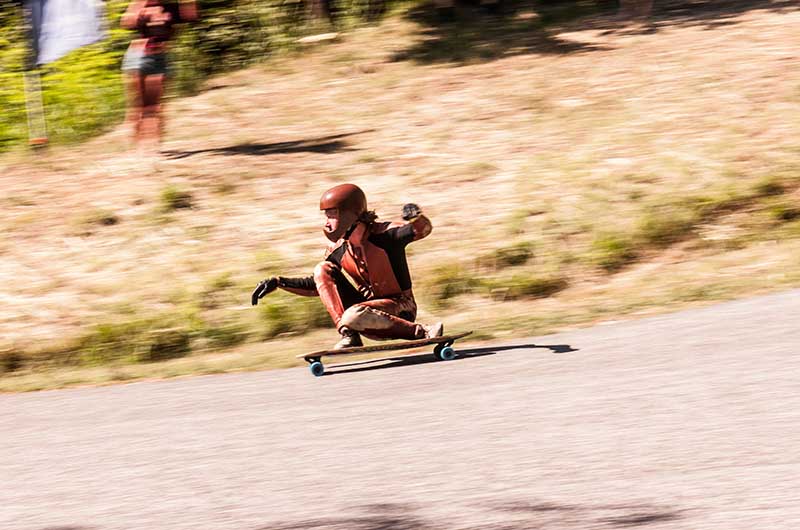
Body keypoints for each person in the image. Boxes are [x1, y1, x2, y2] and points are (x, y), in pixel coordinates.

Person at [251, 184, 444, 349]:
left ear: (349, 214)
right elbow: (319, 285)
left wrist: (416, 217)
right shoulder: (338, 249)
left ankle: (424, 331)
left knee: (353, 315)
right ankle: (349, 335)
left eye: (331, 215)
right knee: (322, 269)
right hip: (362, 314)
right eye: (326, 216)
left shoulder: (386, 235)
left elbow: (423, 230)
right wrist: (278, 282)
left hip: (400, 309)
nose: (326, 223)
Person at [120, 0, 197, 151]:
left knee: (154, 105)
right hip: (138, 54)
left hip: (160, 56)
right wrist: (140, 11)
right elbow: (126, 22)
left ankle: (153, 145)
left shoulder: (172, 6)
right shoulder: (139, 3)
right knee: (138, 107)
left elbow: (191, 16)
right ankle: (135, 143)